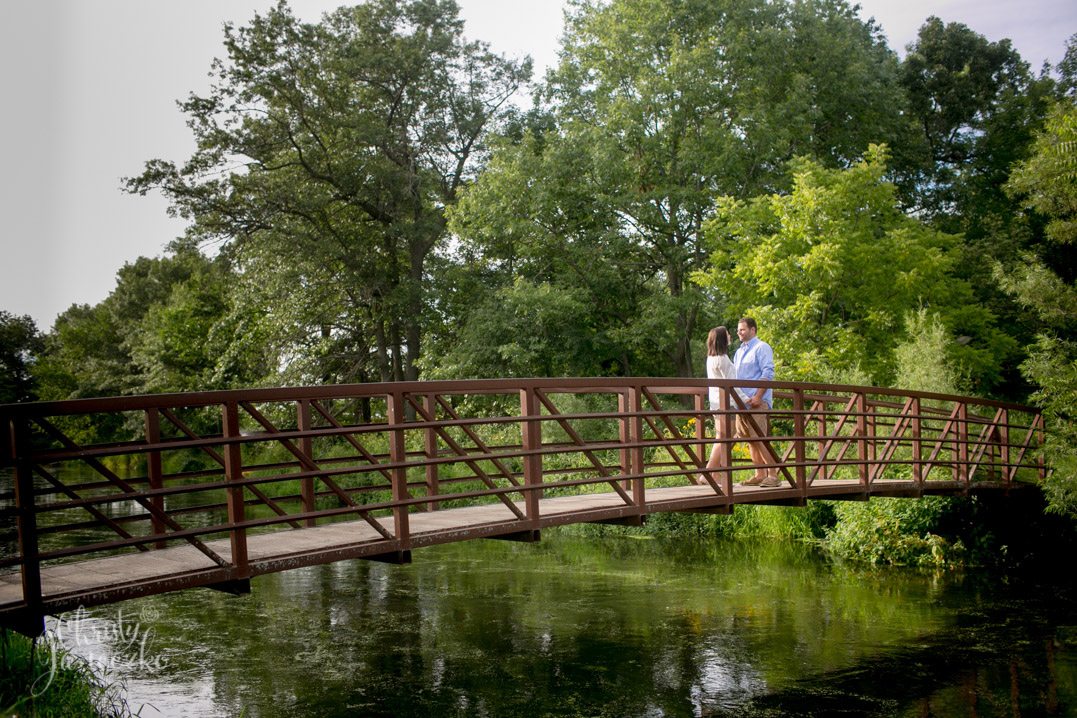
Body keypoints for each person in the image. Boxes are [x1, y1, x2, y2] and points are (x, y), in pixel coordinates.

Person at [733, 317, 779, 487]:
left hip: (757, 402)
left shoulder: (762, 347)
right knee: (750, 439)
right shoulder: (738, 352)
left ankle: (773, 475)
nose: (739, 332)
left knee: (759, 437)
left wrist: (759, 396)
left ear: (753, 330)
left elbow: (768, 373)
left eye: (742, 329)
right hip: (742, 402)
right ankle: (759, 474)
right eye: (738, 330)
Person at [697, 326, 734, 485]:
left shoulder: (710, 358)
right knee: (725, 437)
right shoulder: (723, 359)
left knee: (722, 437)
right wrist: (746, 399)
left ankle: (714, 474)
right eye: (727, 335)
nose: (730, 336)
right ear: (722, 339)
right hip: (727, 403)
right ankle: (708, 473)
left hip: (716, 403)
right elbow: (733, 385)